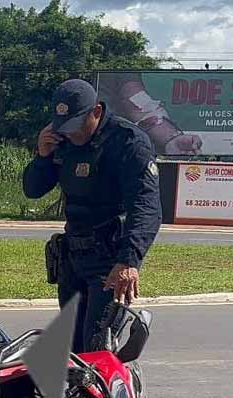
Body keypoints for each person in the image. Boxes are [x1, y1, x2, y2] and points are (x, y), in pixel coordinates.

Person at [23, 79, 162, 353]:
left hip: (109, 262)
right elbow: (33, 190)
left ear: (96, 111)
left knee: (96, 350)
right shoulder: (60, 139)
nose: (71, 133)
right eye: (64, 126)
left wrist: (129, 261)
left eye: (76, 125)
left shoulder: (128, 142)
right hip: (72, 258)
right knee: (71, 349)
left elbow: (146, 206)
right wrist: (42, 156)